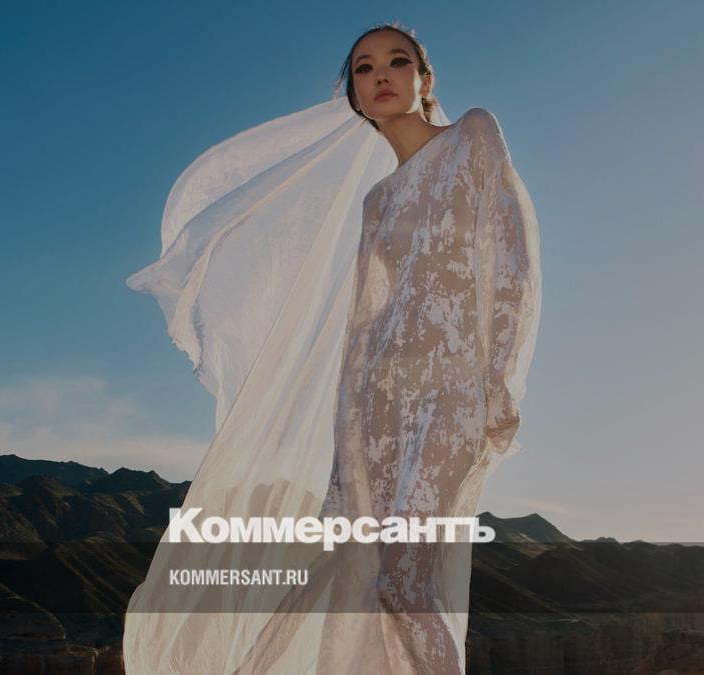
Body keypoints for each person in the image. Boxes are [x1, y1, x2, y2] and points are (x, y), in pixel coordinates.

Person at [122, 22, 541, 674]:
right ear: (352, 93)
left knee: (404, 579)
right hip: (374, 406)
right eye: (363, 68)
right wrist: (344, 432)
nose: (381, 75)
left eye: (397, 62)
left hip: (452, 394)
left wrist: (499, 380)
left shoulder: (473, 137)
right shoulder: (378, 199)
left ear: (424, 80)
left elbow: (513, 260)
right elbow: (366, 323)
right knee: (349, 573)